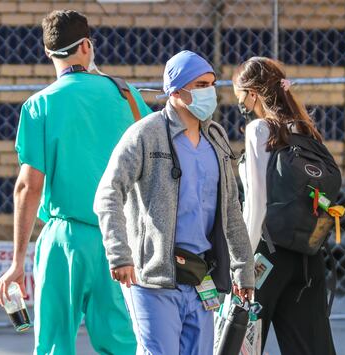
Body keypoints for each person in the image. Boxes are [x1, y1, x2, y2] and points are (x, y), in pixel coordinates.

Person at [0, 10, 151, 355]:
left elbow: (28, 187)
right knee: (124, 344)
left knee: (54, 344)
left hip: (64, 239)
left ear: (48, 53)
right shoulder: (126, 94)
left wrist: (18, 261)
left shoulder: (39, 105)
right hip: (120, 240)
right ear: (87, 46)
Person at [94, 50, 255, 355]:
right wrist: (119, 253)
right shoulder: (146, 134)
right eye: (200, 85)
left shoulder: (216, 138)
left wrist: (243, 269)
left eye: (212, 83)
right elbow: (108, 193)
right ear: (177, 91)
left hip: (200, 276)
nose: (210, 92)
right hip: (154, 277)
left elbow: (231, 209)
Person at [233, 57, 337, 355]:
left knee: (243, 345)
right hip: (309, 255)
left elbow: (255, 206)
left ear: (252, 93)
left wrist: (242, 262)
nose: (241, 103)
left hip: (266, 256)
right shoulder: (306, 130)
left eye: (240, 96)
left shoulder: (260, 130)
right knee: (311, 347)